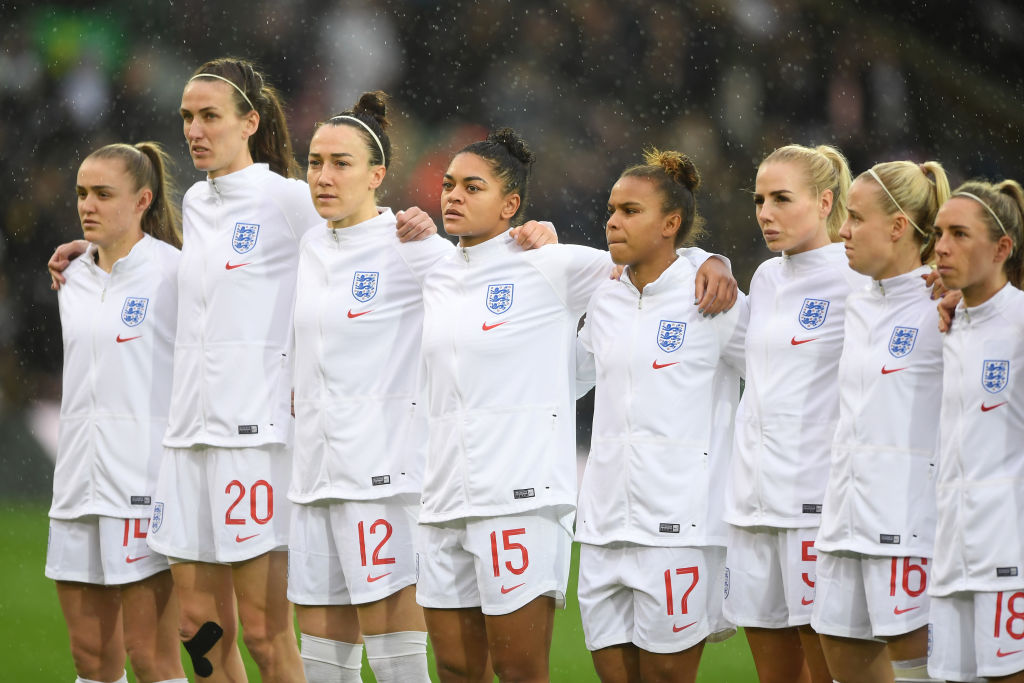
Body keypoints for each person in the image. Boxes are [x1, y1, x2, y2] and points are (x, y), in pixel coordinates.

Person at [414, 128, 737, 682]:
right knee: (453, 670)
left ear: (511, 204)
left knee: (520, 672)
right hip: (445, 497)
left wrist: (712, 257)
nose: (453, 195)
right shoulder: (435, 272)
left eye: (472, 186)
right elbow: (590, 360)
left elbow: (652, 266)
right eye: (448, 185)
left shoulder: (555, 265)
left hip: (520, 499)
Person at [288, 92, 554, 682]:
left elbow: (491, 267)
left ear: (378, 175)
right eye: (314, 162)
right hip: (311, 476)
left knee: (397, 664)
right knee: (321, 665)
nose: (323, 177)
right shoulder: (311, 246)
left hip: (384, 478)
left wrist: (535, 235)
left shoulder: (413, 249)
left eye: (341, 163)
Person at [573, 149, 747, 683]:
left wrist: (713, 261)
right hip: (602, 529)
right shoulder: (604, 300)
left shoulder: (714, 298)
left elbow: (780, 374)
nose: (611, 221)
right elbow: (563, 382)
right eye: (611, 209)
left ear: (671, 224)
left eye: (629, 210)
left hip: (678, 529)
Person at [723, 143, 864, 683]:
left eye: (782, 198)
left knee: (834, 670)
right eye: (759, 199)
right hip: (752, 506)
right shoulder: (765, 277)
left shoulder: (854, 278)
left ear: (826, 201)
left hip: (814, 506)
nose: (765, 213)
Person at [47, 142, 186, 683]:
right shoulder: (72, 273)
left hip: (142, 485)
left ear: (142, 200)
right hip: (76, 482)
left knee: (152, 659)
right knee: (91, 662)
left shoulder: (175, 272)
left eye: (104, 194)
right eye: (82, 193)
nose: (88, 205)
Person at [811, 161, 950, 683]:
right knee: (842, 660)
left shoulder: (945, 303)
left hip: (908, 526)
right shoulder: (856, 300)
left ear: (897, 228)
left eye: (856, 218)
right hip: (842, 520)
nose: (843, 230)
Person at [928, 180, 1024, 683]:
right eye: (940, 232)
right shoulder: (942, 322)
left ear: (1002, 248)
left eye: (960, 234)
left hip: (1010, 554)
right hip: (948, 551)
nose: (942, 246)